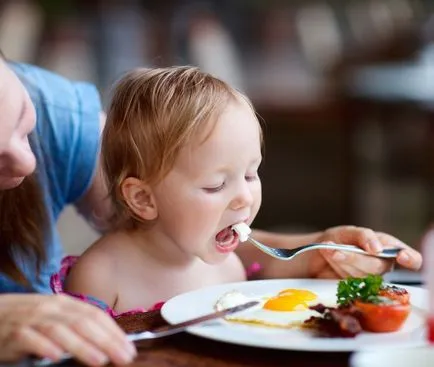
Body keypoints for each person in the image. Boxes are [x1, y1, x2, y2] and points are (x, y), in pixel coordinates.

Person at [54, 66, 422, 315]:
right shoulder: (101, 277)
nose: (245, 197)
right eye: (216, 184)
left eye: (250, 175)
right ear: (144, 199)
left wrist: (334, 250)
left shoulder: (228, 264)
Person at [0, 55, 136, 365]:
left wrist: (266, 255)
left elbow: (173, 230)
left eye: (21, 119)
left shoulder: (55, 110)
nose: (27, 163)